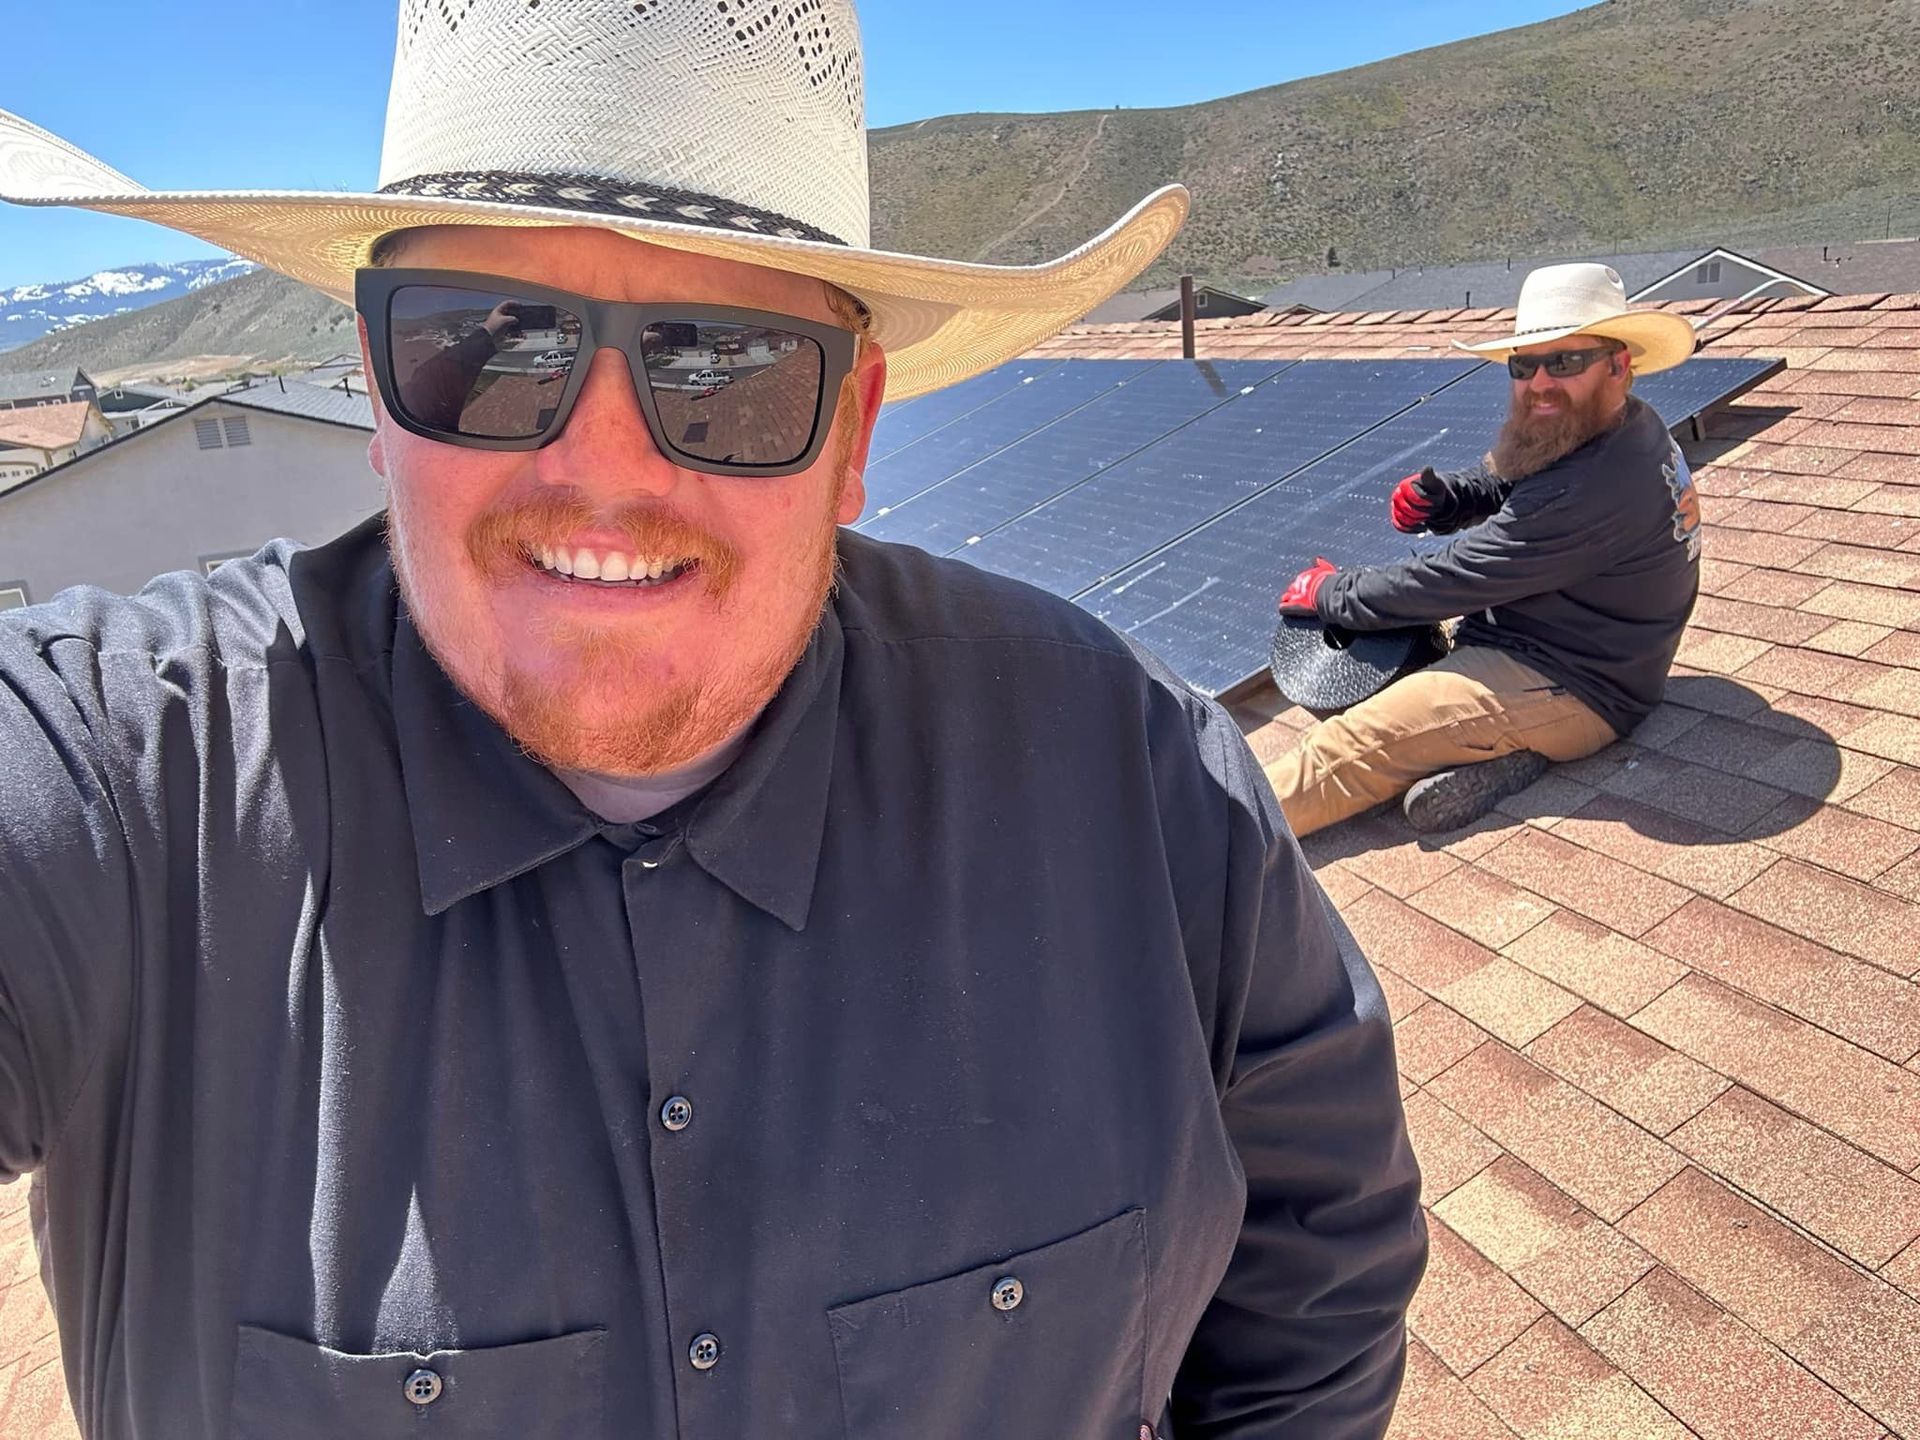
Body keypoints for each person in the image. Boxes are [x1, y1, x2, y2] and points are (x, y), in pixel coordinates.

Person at [0, 4, 1424, 1438]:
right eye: (491, 344)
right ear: (378, 388)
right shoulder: (130, 785)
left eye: (725, 366)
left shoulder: (1136, 781)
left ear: (855, 431)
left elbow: (1320, 1269)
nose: (604, 471)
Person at [1266, 263, 1702, 837]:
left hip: (1577, 685)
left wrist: (1330, 593)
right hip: (1569, 648)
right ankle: (1503, 751)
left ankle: (1207, 839)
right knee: (1400, 670)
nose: (1539, 383)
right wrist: (1449, 499)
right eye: (1524, 365)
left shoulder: (1598, 485)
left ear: (1618, 364)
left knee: (1348, 745)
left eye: (1565, 361)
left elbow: (1455, 579)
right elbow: (1510, 473)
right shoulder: (1618, 422)